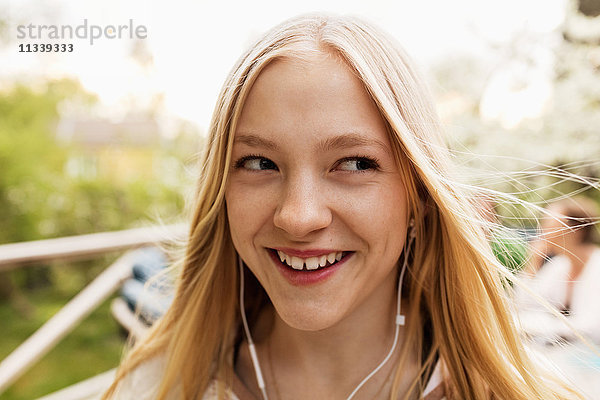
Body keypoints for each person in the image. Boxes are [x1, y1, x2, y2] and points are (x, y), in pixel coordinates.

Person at [103, 14, 584, 399]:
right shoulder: (155, 387)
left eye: (354, 163)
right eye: (258, 162)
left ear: (419, 198)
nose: (298, 215)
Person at [515, 196, 600, 344]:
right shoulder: (560, 266)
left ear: (576, 230)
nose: (543, 231)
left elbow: (591, 327)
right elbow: (524, 304)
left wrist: (542, 326)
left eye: (550, 223)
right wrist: (532, 263)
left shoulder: (596, 266)